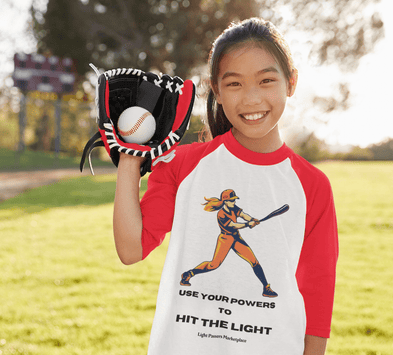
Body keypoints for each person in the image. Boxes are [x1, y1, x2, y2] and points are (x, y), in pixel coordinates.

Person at [114, 17, 338, 355]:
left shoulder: (312, 185)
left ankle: (264, 289)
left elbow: (318, 296)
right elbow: (131, 249)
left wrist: (246, 221)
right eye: (234, 84)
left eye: (266, 80)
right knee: (215, 265)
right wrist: (130, 158)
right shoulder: (183, 164)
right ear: (216, 89)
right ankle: (192, 275)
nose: (251, 99)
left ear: (290, 83)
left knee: (254, 264)